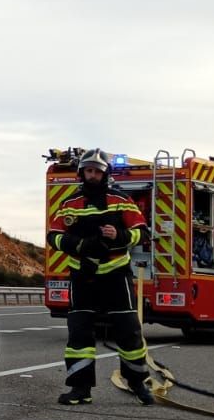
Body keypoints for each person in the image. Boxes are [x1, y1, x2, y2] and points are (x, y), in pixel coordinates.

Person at [46, 148, 153, 406]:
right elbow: (53, 236)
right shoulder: (69, 203)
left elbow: (142, 232)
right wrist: (80, 245)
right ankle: (80, 389)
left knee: (128, 332)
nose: (92, 175)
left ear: (105, 174)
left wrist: (120, 236)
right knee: (79, 334)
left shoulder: (121, 200)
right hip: (82, 276)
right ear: (82, 172)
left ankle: (138, 383)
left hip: (116, 275)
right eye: (88, 170)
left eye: (97, 171)